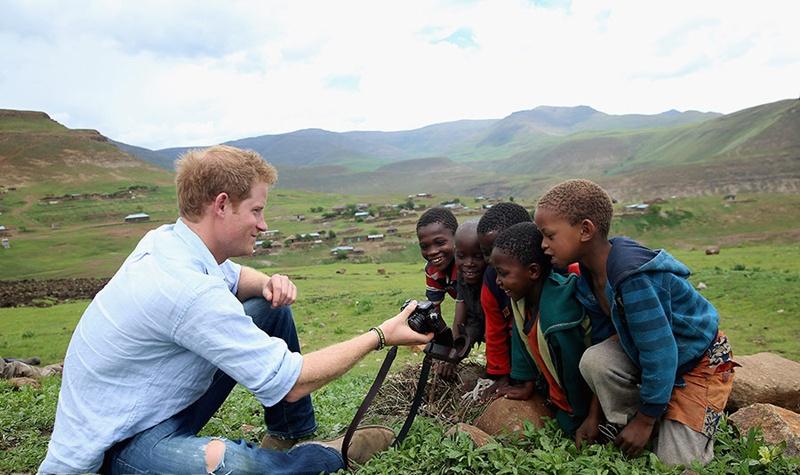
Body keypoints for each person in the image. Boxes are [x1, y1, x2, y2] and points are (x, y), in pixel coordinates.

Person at [39, 145, 432, 475]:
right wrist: (380, 335)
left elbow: (236, 275)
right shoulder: (186, 289)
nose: (263, 225)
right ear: (222, 205)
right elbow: (292, 380)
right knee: (231, 465)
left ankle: (290, 431)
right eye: (256, 211)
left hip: (153, 405)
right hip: (118, 442)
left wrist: (265, 283)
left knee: (268, 306)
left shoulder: (170, 241)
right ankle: (327, 453)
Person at [533, 178, 735, 466]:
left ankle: (653, 416)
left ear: (586, 230)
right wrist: (594, 415)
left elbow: (661, 354)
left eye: (549, 235)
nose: (543, 245)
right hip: (651, 355)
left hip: (699, 362)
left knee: (675, 464)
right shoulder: (588, 279)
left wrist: (644, 420)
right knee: (595, 359)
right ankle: (645, 414)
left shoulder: (632, 279)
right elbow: (609, 341)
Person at [490, 222, 591, 436]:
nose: (497, 282)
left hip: (583, 396)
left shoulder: (559, 317)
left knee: (567, 428)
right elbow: (520, 340)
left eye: (503, 274)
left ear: (533, 271)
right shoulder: (519, 301)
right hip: (555, 392)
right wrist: (525, 383)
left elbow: (574, 372)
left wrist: (580, 416)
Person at [476, 202, 532, 382]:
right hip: (515, 355)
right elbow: (494, 330)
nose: (492, 259)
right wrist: (499, 375)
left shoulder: (555, 275)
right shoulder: (491, 281)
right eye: (486, 253)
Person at [438, 221, 487, 379]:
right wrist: (454, 353)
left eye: (478, 256)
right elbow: (467, 321)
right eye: (461, 256)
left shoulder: (495, 282)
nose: (469, 263)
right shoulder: (462, 277)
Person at [416, 207, 459, 308]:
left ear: (457, 237)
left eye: (440, 243)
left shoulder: (470, 265)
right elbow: (433, 306)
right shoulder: (432, 269)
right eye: (424, 247)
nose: (432, 252)